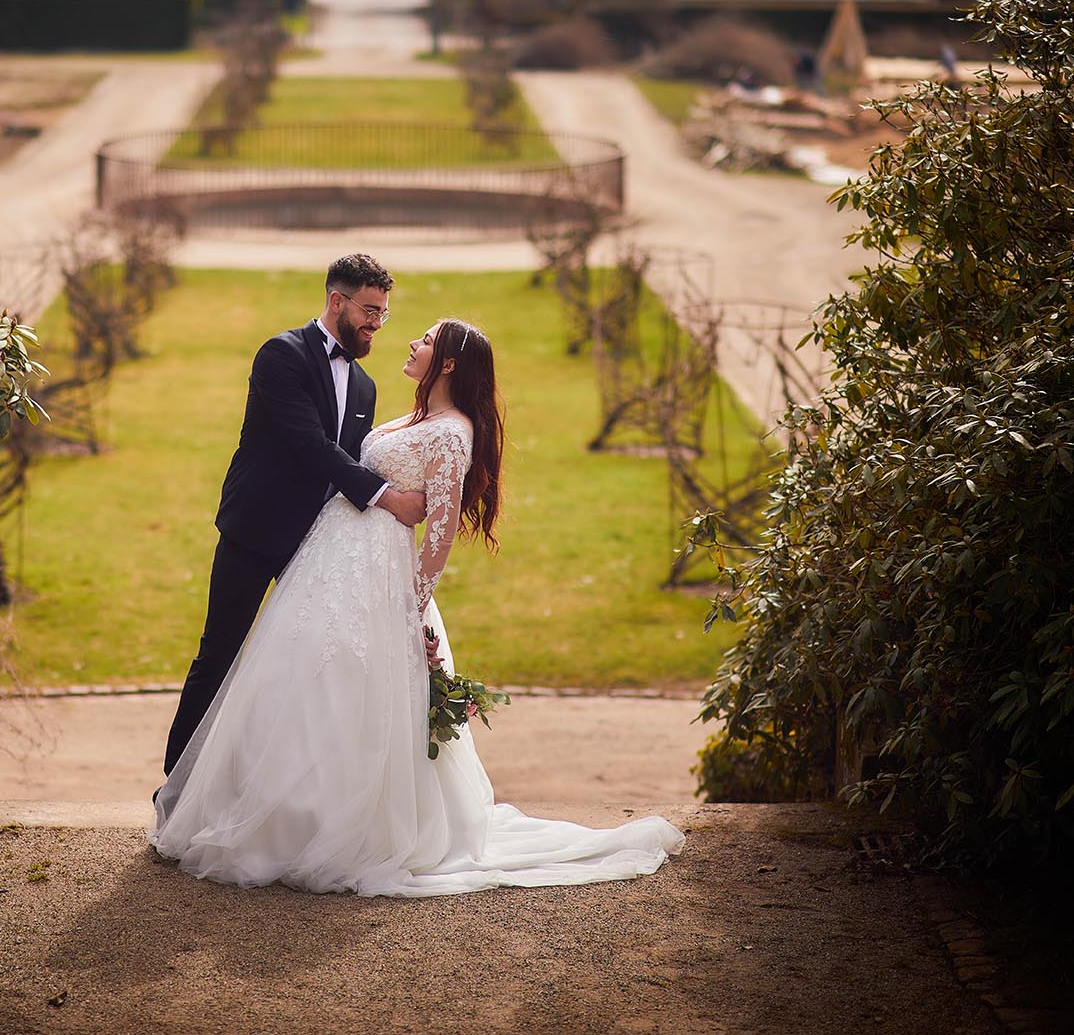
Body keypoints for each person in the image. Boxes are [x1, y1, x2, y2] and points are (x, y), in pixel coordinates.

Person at [153, 317, 685, 896]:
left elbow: (444, 525)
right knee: (297, 676)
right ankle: (279, 810)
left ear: (449, 364)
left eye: (426, 341)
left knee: (341, 683)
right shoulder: (412, 415)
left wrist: (413, 610)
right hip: (331, 559)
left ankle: (331, 826)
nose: (410, 341)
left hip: (378, 574)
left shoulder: (452, 431)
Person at [161, 254, 429, 778]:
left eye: (383, 313)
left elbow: (348, 462)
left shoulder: (366, 387)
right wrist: (387, 498)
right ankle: (176, 788)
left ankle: (273, 789)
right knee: (219, 654)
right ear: (337, 302)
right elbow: (309, 445)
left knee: (304, 667)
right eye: (370, 311)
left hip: (318, 547)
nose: (377, 323)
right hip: (254, 533)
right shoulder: (280, 355)